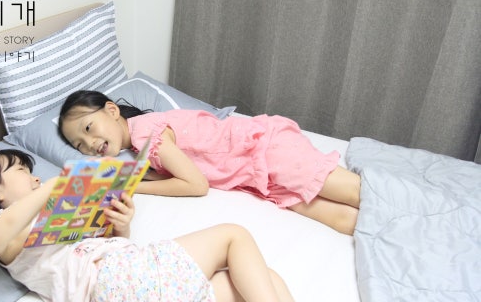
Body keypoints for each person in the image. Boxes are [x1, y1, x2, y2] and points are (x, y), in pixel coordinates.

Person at [0, 145, 362, 302]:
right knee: (234, 236)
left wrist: (120, 224)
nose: (33, 176)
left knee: (263, 280)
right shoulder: (7, 232)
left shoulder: (51, 219)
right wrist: (54, 188)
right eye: (21, 171)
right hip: (121, 287)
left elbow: (104, 245)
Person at [58, 91, 361, 235]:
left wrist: (134, 187)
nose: (90, 144)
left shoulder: (144, 131)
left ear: (112, 111)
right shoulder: (139, 148)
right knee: (343, 221)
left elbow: (196, 184)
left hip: (265, 148)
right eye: (80, 145)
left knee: (358, 193)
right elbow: (174, 170)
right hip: (253, 175)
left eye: (88, 128)